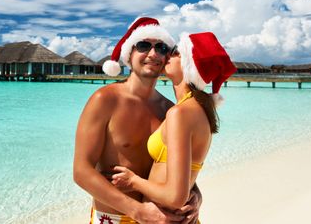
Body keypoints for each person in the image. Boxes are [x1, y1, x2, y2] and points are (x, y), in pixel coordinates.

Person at [73, 17, 201, 224]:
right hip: (115, 217)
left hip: (166, 218)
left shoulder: (171, 110)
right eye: (143, 46)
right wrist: (138, 212)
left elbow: (176, 168)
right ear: (129, 54)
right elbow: (81, 171)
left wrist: (195, 194)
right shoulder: (105, 99)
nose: (153, 54)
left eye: (161, 48)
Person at [111, 32, 236, 219]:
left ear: (190, 66)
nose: (168, 55)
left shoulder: (181, 113)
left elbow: (175, 197)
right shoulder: (196, 109)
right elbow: (184, 180)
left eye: (177, 52)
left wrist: (133, 181)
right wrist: (197, 195)